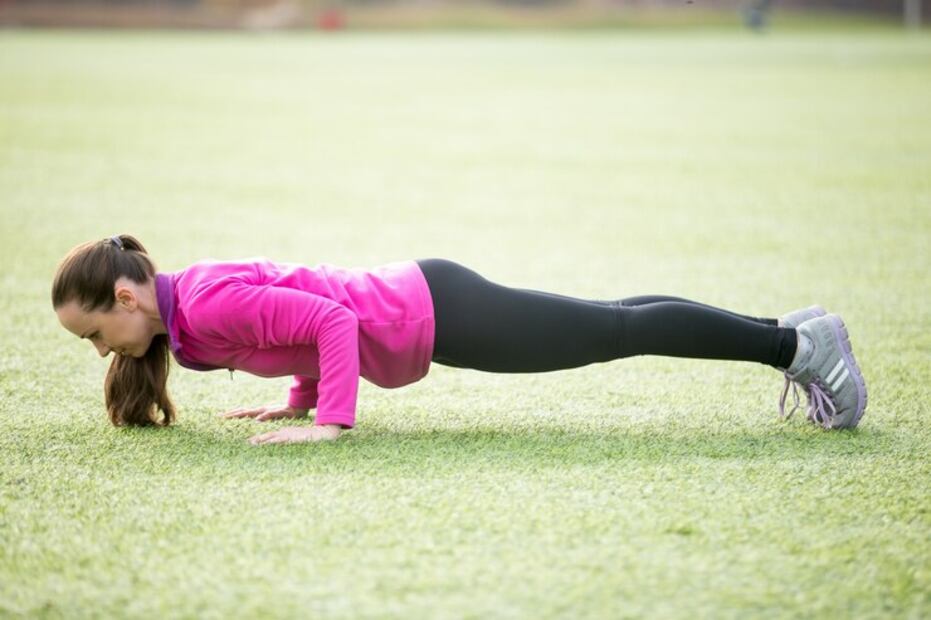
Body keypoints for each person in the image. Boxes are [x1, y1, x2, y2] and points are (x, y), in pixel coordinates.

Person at [52, 235, 868, 446]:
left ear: (124, 297)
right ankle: (789, 334)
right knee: (611, 321)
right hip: (428, 309)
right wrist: (294, 402)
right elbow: (300, 322)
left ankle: (796, 349)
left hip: (431, 309)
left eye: (96, 333)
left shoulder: (205, 301)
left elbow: (332, 320)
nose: (104, 352)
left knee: (613, 328)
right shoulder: (188, 328)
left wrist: (332, 422)